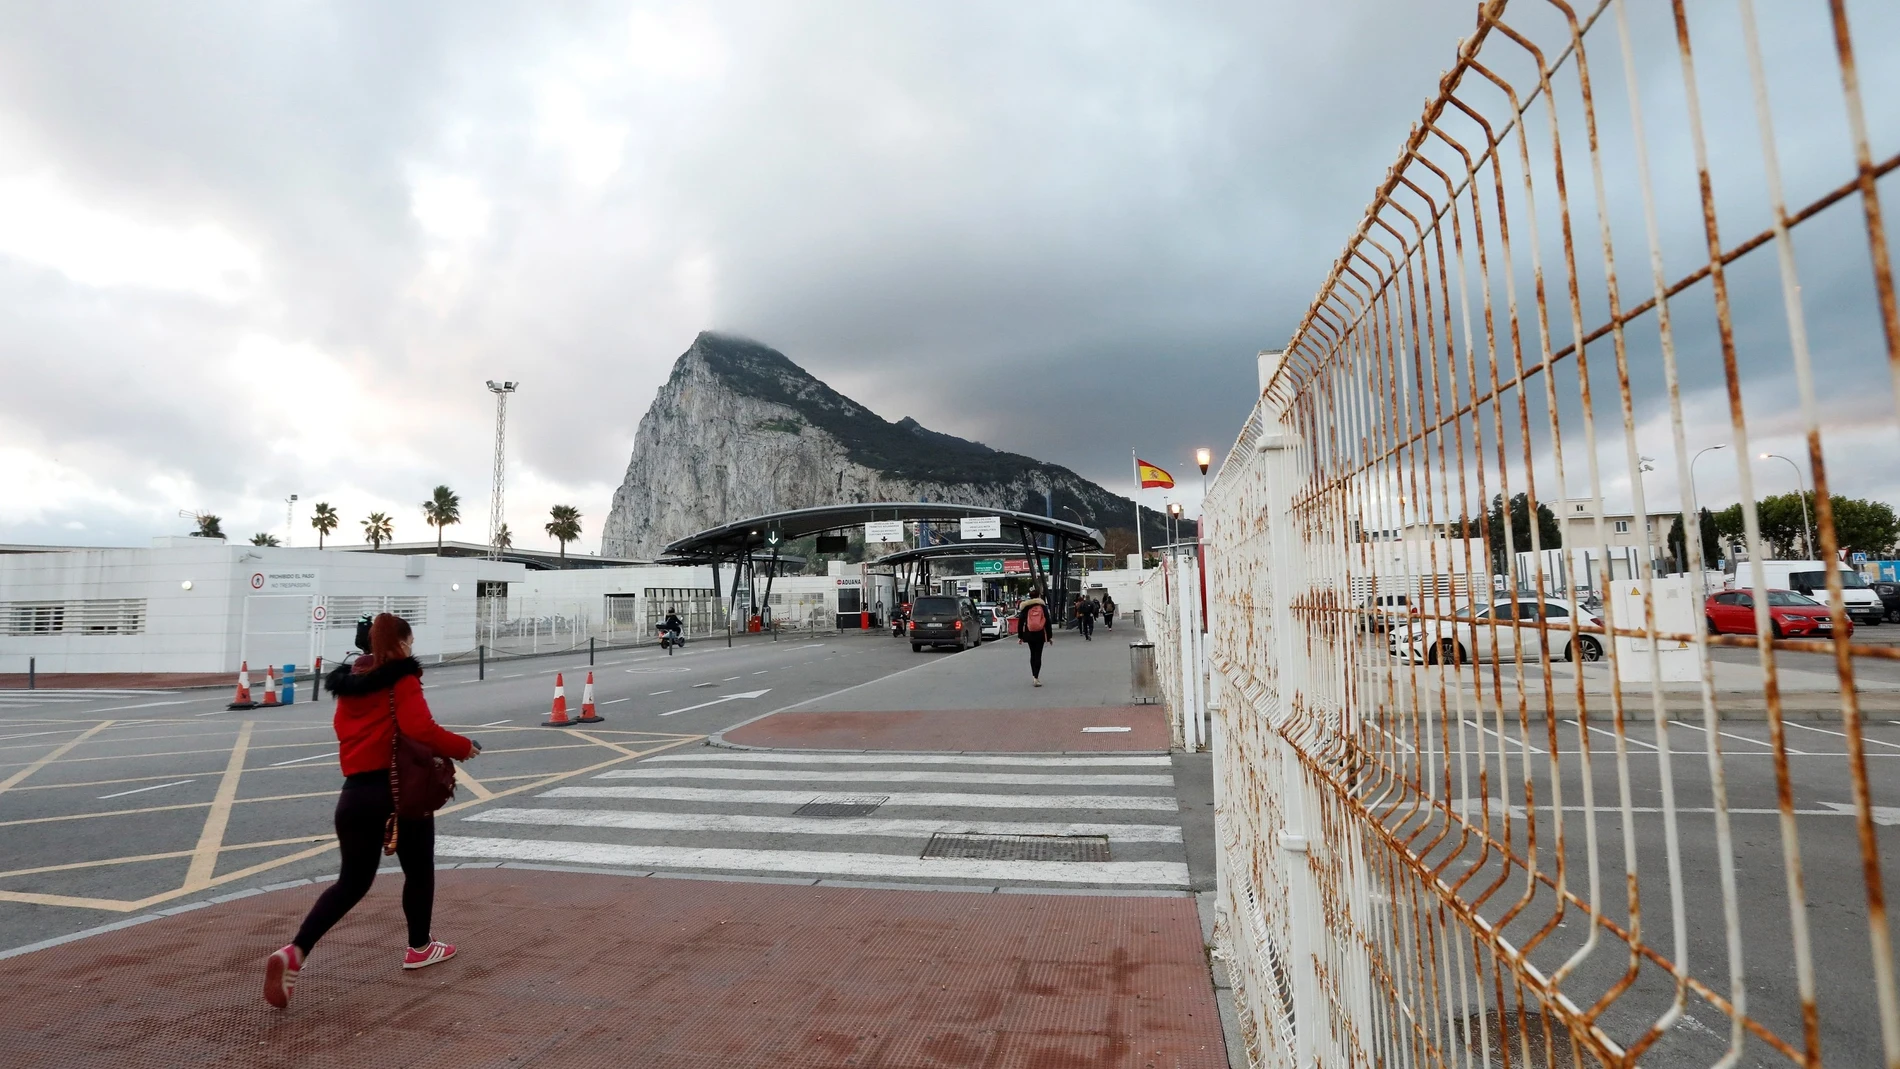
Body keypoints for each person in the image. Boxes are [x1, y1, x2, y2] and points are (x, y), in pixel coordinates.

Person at [264, 613, 481, 1010]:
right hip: (398, 793)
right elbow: (420, 728)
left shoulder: (350, 685)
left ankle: (296, 950)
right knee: (419, 870)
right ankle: (419, 946)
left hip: (354, 795)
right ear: (398, 645)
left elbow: (347, 733)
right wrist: (462, 746)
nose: (411, 649)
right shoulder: (402, 678)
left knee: (351, 882)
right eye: (409, 643)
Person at [1016, 591, 1055, 686]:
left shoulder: (1026, 607)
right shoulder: (1043, 607)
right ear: (1038, 596)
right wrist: (1049, 637)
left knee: (1032, 654)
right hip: (1040, 634)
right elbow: (1048, 622)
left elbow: (1020, 622)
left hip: (1029, 634)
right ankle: (1036, 677)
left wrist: (1020, 636)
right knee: (1038, 655)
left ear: (1029, 597)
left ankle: (1033, 675)